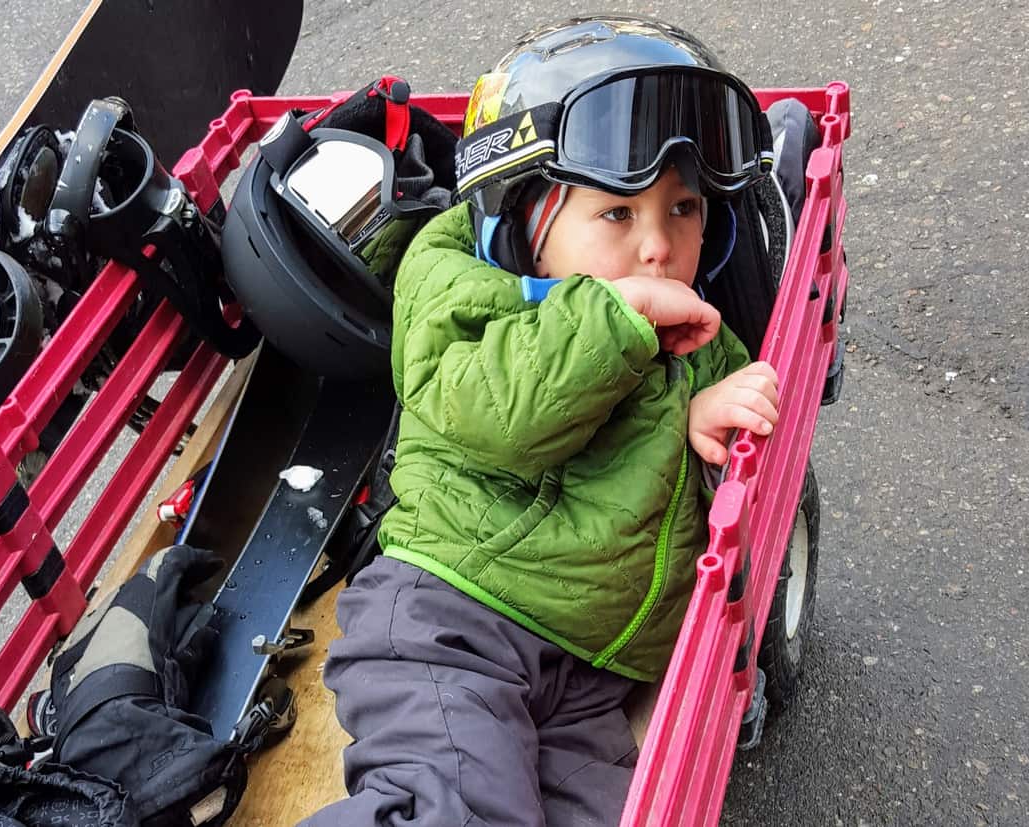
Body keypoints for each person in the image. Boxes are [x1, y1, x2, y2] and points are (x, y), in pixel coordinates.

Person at [301, 14, 780, 826]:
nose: (658, 246)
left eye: (685, 207)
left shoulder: (695, 326)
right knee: (447, 806)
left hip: (585, 668)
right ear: (521, 216)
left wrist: (704, 410)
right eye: (617, 214)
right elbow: (507, 410)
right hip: (451, 621)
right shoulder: (463, 290)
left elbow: (686, 434)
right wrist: (617, 319)